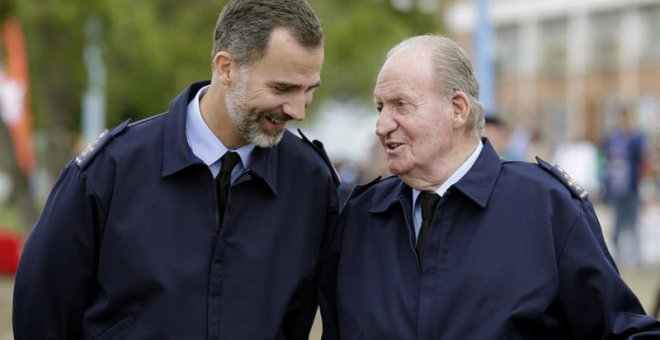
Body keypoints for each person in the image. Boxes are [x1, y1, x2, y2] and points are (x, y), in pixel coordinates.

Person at [13, 0, 339, 339]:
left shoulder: (312, 185)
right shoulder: (110, 171)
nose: (299, 110)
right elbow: (41, 316)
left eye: (309, 90)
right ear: (226, 68)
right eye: (282, 88)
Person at [319, 35, 660, 339]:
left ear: (457, 109)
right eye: (380, 107)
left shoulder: (545, 206)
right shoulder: (359, 218)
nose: (381, 125)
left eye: (400, 105)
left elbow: (620, 329)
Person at [601, 105, 647, 267]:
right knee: (617, 227)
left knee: (633, 224)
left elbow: (641, 158)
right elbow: (606, 161)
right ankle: (618, 259)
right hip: (616, 189)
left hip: (631, 188)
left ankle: (637, 259)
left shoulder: (636, 137)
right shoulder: (613, 139)